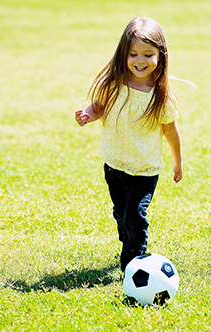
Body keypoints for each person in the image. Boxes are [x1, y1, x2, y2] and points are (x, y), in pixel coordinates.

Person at [75, 17, 182, 272]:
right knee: (121, 215)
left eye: (148, 54)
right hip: (114, 164)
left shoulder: (160, 95)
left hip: (144, 170)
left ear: (160, 55)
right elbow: (100, 106)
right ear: (124, 53)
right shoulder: (113, 85)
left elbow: (170, 131)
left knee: (134, 216)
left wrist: (178, 162)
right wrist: (88, 114)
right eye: (133, 54)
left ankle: (134, 264)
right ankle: (128, 245)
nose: (140, 60)